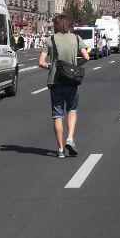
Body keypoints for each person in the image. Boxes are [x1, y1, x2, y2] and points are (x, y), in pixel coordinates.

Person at [38, 13, 90, 159]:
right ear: (68, 25)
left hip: (55, 81)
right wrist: (75, 66)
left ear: (57, 25)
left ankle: (60, 150)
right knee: (72, 110)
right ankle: (70, 139)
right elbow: (86, 57)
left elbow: (41, 62)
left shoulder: (50, 40)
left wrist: (51, 66)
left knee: (57, 115)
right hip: (72, 80)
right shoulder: (76, 38)